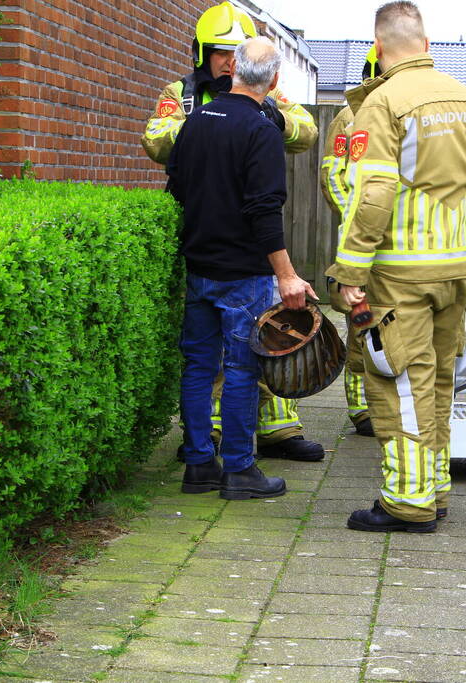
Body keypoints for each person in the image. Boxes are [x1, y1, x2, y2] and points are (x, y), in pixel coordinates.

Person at [326, 1, 466, 533]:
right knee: (439, 381)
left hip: (398, 273)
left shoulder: (381, 103)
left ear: (378, 50)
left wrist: (350, 271)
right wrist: (461, 237)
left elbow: (375, 193)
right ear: (426, 45)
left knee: (400, 382)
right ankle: (435, 489)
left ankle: (406, 501)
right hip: (451, 271)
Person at [141, 1, 325, 463]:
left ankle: (274, 430)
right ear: (203, 53)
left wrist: (267, 117)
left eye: (234, 52)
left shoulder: (266, 99)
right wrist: (210, 126)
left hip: (253, 242)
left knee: (263, 340)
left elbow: (305, 129)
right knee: (230, 355)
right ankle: (221, 450)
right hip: (217, 242)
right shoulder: (181, 94)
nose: (228, 62)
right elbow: (155, 140)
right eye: (220, 53)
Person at [318, 45, 379, 439]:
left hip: (405, 243)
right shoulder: (348, 118)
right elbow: (333, 177)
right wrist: (361, 218)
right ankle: (361, 408)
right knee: (361, 321)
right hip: (361, 241)